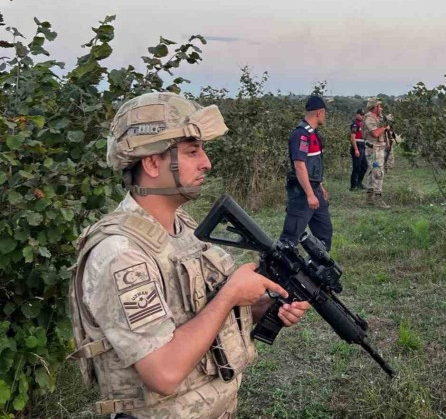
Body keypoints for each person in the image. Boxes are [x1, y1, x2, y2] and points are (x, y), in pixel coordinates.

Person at [68, 92, 310, 419]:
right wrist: (230, 295)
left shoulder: (183, 228)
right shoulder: (119, 254)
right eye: (192, 152)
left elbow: (198, 317)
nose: (206, 162)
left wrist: (262, 306)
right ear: (152, 162)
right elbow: (163, 373)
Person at [279, 95, 333, 250]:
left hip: (315, 189)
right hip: (302, 194)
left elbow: (313, 164)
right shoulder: (301, 135)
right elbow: (300, 166)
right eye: (325, 113)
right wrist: (310, 194)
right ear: (319, 113)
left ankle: (318, 270)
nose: (325, 116)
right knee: (290, 238)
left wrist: (319, 187)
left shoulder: (314, 134)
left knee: (324, 234)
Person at [362, 97, 391, 209]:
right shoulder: (369, 119)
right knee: (378, 173)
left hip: (379, 149)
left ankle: (369, 198)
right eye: (379, 106)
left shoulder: (379, 117)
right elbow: (375, 133)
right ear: (374, 108)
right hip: (373, 150)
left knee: (372, 172)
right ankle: (378, 198)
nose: (381, 108)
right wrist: (384, 127)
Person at [349, 108, 368, 191]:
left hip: (363, 146)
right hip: (357, 146)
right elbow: (352, 137)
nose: (361, 116)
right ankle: (353, 186)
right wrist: (356, 149)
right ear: (357, 114)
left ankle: (359, 183)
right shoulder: (355, 124)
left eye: (363, 115)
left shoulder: (362, 124)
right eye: (360, 114)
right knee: (356, 167)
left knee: (364, 166)